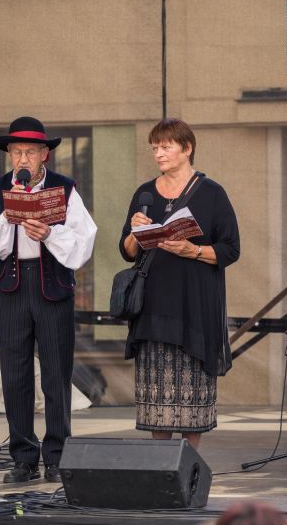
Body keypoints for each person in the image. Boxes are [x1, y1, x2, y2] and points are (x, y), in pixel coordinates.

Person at [0, 116, 97, 483]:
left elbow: (83, 244)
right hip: (12, 287)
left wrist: (49, 234)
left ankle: (57, 456)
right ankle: (23, 458)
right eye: (17, 152)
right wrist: (9, 216)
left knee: (56, 374)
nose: (23, 159)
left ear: (44, 155)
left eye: (30, 152)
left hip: (52, 288)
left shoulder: (65, 189)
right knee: (15, 374)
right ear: (9, 154)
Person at [120, 118, 240, 449]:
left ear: (187, 148)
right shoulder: (144, 193)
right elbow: (127, 252)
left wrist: (194, 250)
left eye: (165, 146)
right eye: (154, 148)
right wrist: (135, 232)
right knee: (156, 398)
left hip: (194, 306)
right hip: (153, 305)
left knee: (192, 397)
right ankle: (161, 467)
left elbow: (231, 249)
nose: (158, 153)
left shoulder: (212, 194)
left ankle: (189, 466)